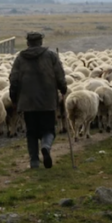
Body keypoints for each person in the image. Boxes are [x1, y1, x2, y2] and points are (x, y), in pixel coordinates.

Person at [8, 32, 67, 169]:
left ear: (28, 43)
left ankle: (34, 161)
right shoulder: (51, 56)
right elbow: (60, 75)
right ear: (40, 42)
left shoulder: (20, 58)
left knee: (31, 131)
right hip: (47, 100)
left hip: (27, 101)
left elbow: (14, 79)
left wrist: (14, 97)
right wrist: (63, 88)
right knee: (49, 129)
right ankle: (46, 146)